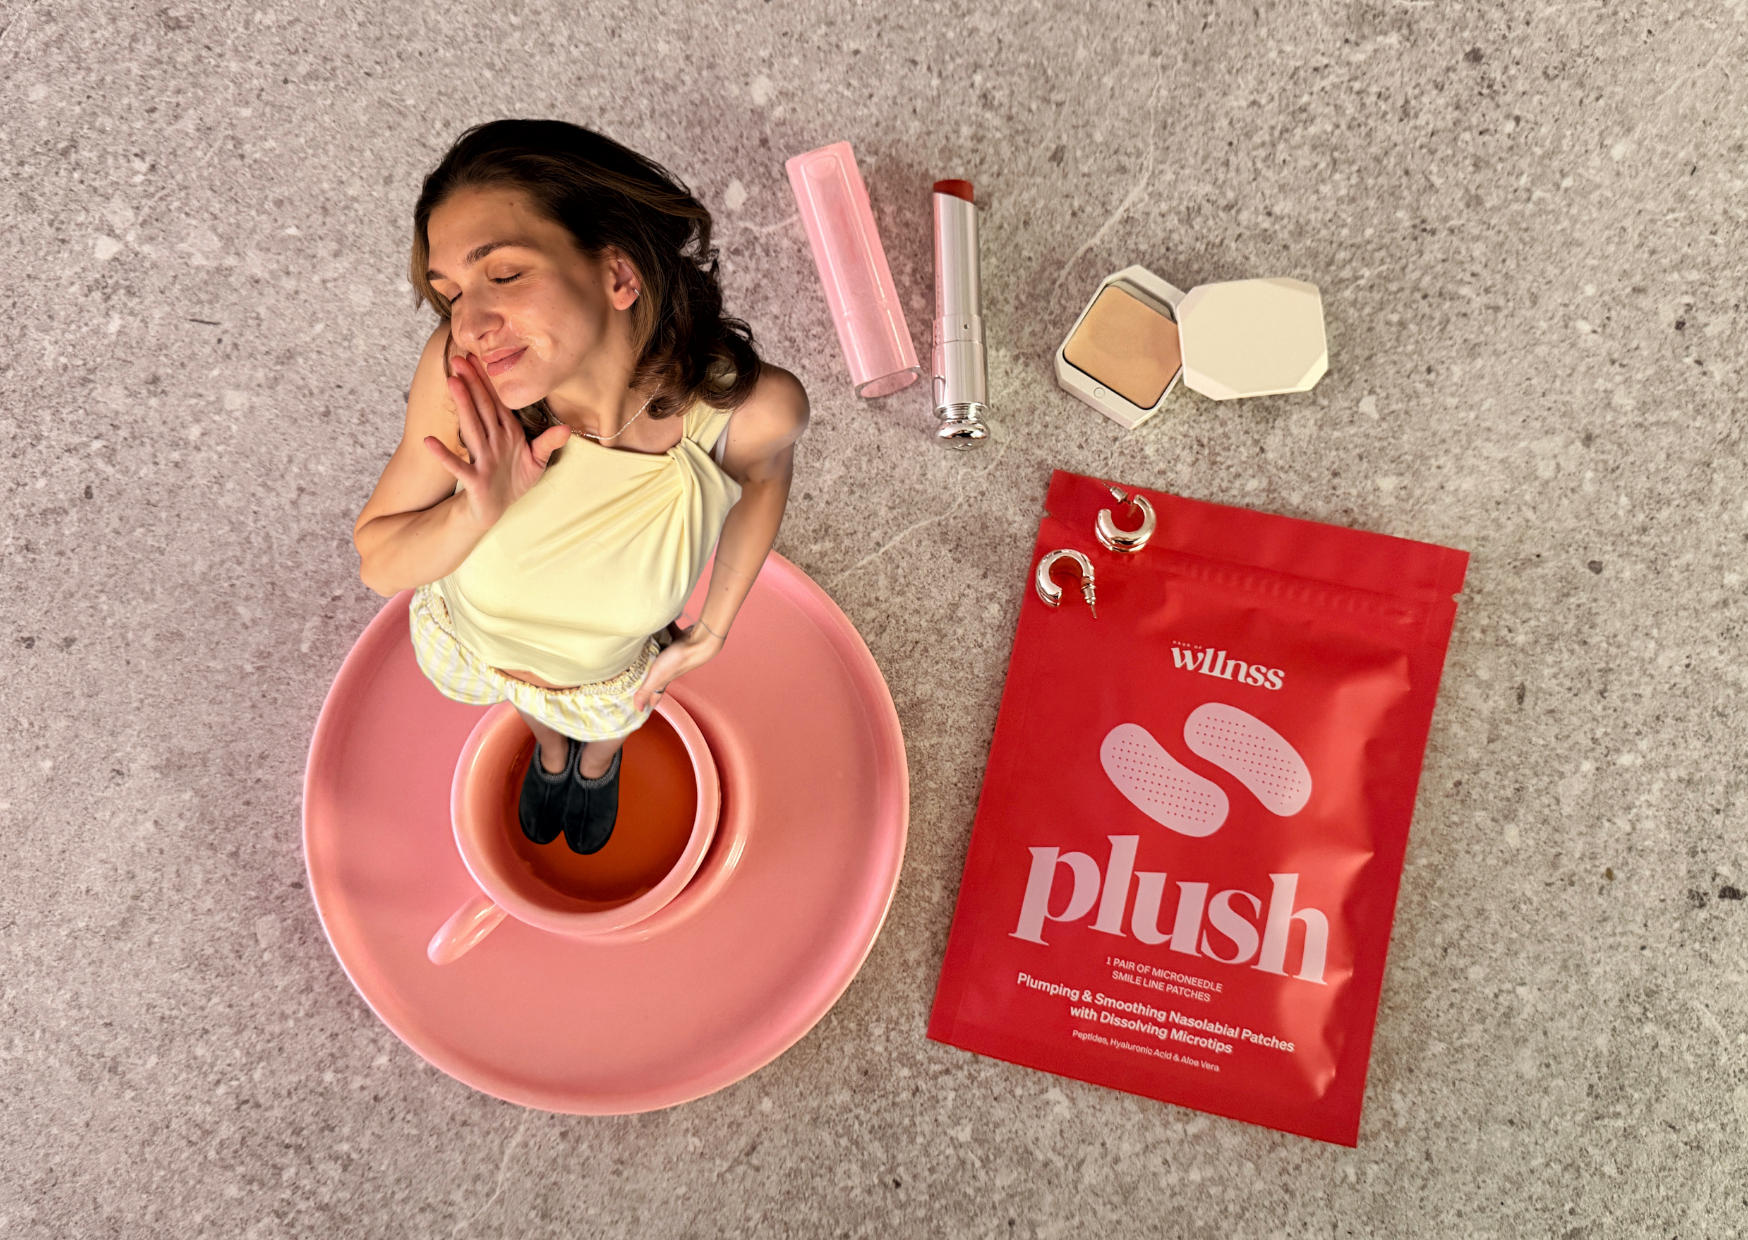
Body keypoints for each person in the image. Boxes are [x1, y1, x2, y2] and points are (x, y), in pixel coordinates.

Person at [353, 119, 808, 854]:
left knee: (604, 731)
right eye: (451, 294)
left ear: (618, 275)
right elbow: (378, 560)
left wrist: (713, 627)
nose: (468, 324)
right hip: (475, 651)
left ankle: (595, 764)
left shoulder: (742, 415)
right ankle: (552, 751)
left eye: (502, 274)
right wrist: (477, 510)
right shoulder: (462, 380)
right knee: (530, 710)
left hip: (603, 683)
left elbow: (765, 470)